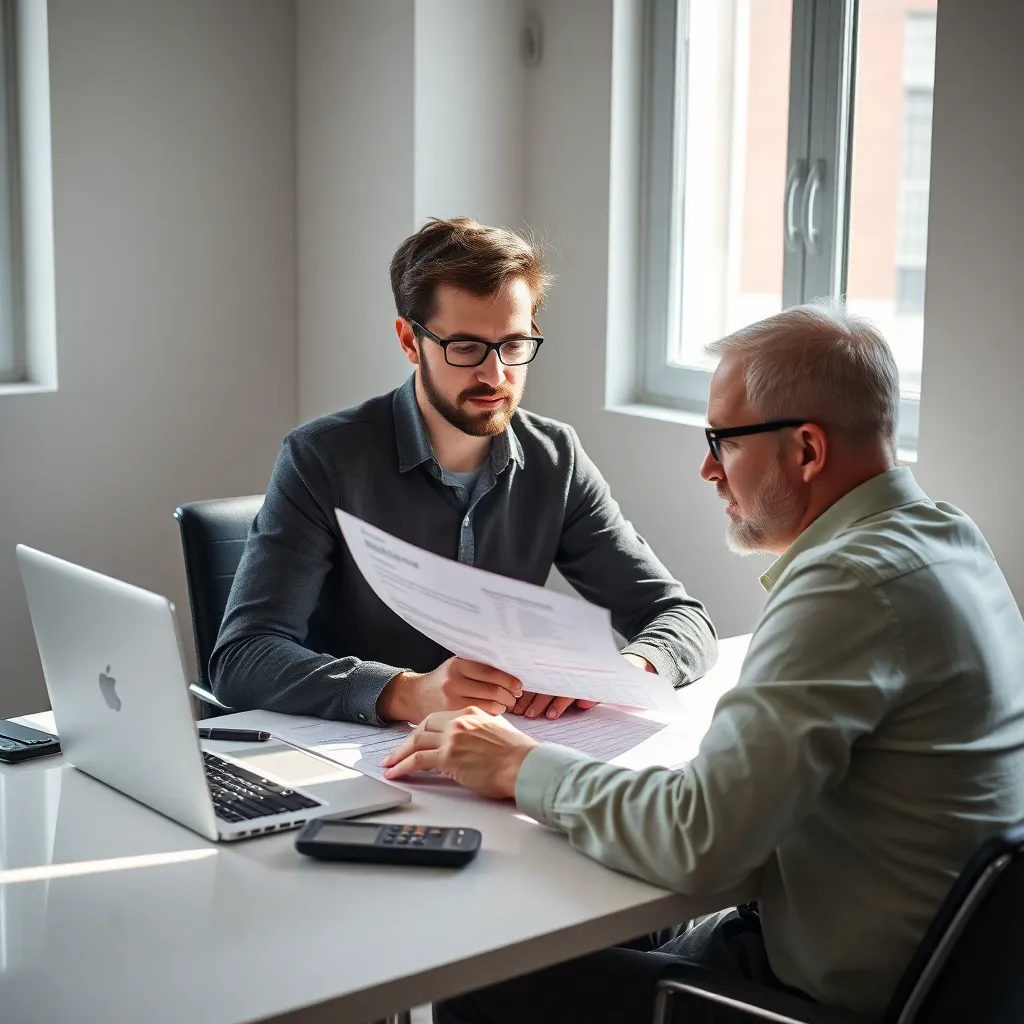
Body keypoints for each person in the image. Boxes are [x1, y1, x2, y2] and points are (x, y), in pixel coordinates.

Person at [382, 301, 1024, 1022]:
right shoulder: (948, 538)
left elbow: (698, 842)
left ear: (807, 450)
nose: (707, 468)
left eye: (722, 441)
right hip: (922, 975)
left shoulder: (847, 586)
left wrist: (516, 764)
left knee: (482, 974)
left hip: (814, 1002)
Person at [211, 217, 717, 726]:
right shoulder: (322, 457)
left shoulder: (555, 459)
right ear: (410, 341)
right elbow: (243, 659)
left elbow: (682, 619)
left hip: (495, 752)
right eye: (466, 347)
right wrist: (407, 692)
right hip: (351, 753)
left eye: (514, 345)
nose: (495, 375)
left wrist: (628, 669)